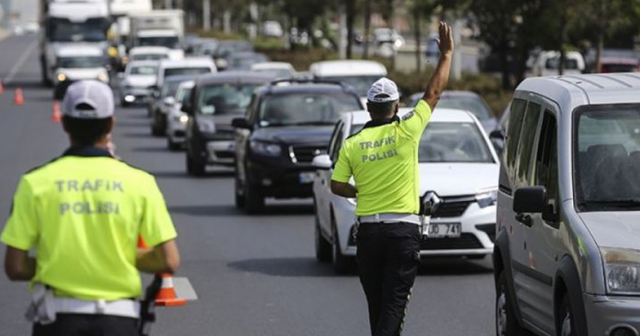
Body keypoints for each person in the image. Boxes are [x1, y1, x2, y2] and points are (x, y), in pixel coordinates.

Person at [1, 80, 180, 336]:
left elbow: (15, 267)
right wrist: (119, 256)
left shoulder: (35, 183)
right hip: (119, 320)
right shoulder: (140, 182)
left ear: (64, 122)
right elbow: (169, 260)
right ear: (110, 124)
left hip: (58, 320)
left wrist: (60, 261)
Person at [330, 22, 454, 336]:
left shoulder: (353, 144)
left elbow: (336, 185)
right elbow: (434, 93)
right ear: (397, 107)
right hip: (403, 233)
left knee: (378, 306)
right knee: (393, 306)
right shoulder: (408, 131)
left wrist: (358, 190)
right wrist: (447, 55)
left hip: (369, 234)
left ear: (369, 108)